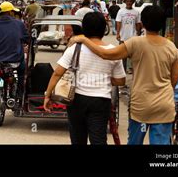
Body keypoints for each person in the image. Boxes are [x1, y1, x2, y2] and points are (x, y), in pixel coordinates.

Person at [70, 5, 178, 145]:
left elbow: (105, 54)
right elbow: (176, 77)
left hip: (141, 104)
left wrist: (84, 40)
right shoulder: (171, 47)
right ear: (162, 24)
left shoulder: (136, 43)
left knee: (135, 141)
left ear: (144, 23)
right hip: (164, 105)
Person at [43, 12, 126, 145]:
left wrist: (48, 95)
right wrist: (105, 78)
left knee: (78, 140)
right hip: (101, 101)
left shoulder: (74, 48)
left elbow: (58, 73)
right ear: (104, 29)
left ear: (84, 29)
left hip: (77, 100)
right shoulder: (113, 51)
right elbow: (121, 81)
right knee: (98, 140)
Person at [0, 1, 29, 94]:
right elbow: (27, 39)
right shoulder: (19, 24)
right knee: (22, 71)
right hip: (15, 60)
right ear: (10, 13)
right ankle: (21, 94)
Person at [116, 0, 141, 73]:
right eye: (128, 1)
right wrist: (117, 33)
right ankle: (123, 69)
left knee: (133, 54)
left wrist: (138, 33)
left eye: (131, 1)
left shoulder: (136, 12)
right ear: (125, 2)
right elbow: (118, 23)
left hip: (133, 36)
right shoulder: (121, 11)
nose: (129, 2)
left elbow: (137, 23)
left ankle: (131, 69)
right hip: (123, 36)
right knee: (122, 55)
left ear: (133, 2)